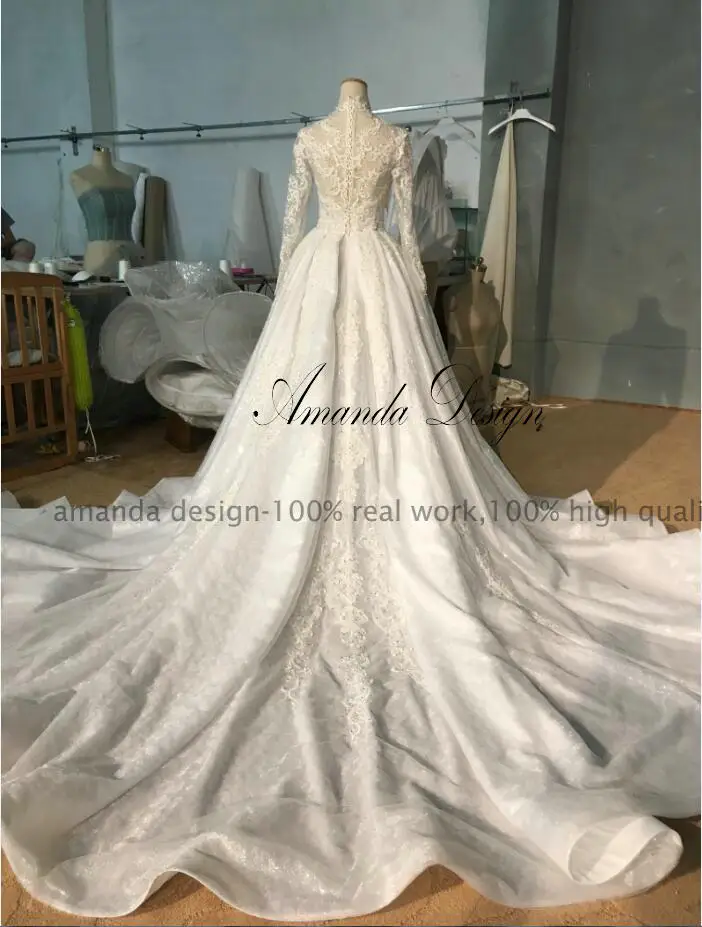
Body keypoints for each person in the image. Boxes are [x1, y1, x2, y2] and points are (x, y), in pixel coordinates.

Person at [1, 79, 700, 921]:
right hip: (374, 273)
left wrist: (304, 278)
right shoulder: (383, 141)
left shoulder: (313, 139)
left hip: (318, 274)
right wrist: (404, 290)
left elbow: (296, 226)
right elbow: (405, 235)